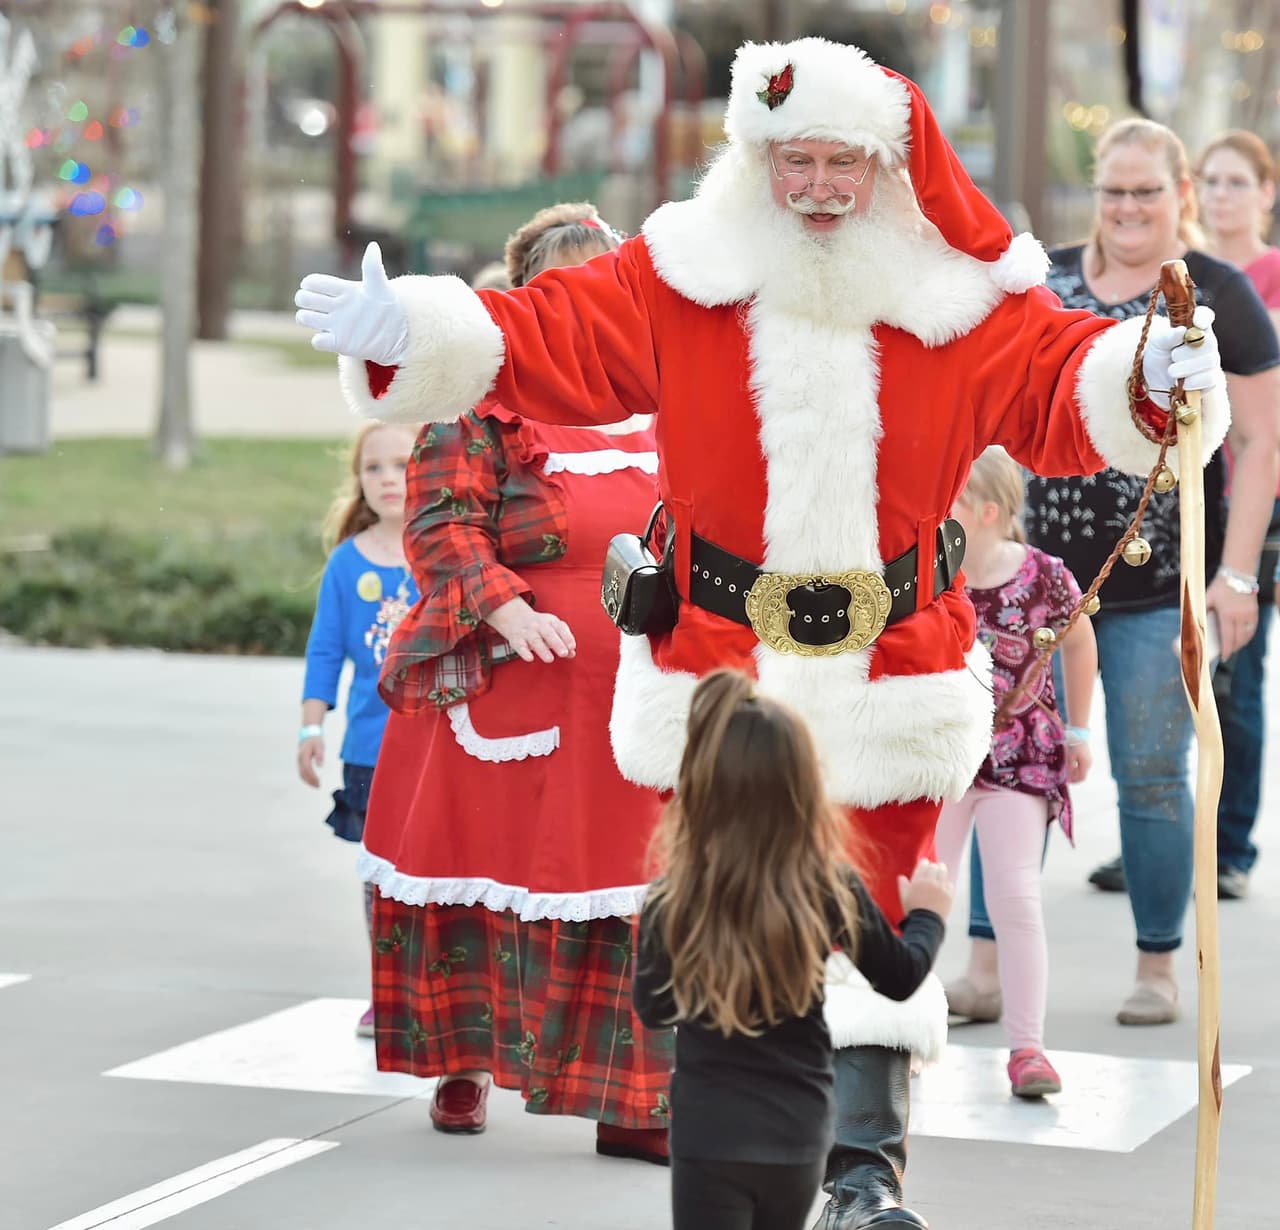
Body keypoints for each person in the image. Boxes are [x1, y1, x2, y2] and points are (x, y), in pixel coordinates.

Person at [295, 39, 1228, 1228]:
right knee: (722, 904)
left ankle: (864, 1175)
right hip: (717, 663)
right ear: (757, 159)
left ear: (886, 166)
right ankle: (729, 1153)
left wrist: (1153, 370)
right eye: (797, 162)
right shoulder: (683, 274)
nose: (821, 186)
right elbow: (548, 336)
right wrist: (409, 333)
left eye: (844, 161)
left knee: (877, 907)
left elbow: (1062, 385)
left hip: (891, 657)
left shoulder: (955, 296)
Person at [337, 202, 674, 1164]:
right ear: (527, 300)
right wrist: (506, 609)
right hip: (508, 686)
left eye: (602, 289)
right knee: (480, 879)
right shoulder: (481, 400)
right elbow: (438, 523)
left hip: (631, 691)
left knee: (628, 886)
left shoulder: (663, 402)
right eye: (563, 293)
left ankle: (632, 1102)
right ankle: (462, 1061)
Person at [1016, 118, 1280, 1025]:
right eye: (1113, 191)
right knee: (1002, 769)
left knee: (1154, 774)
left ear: (1181, 196)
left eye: (1146, 191)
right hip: (1033, 587)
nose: (1127, 208)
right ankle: (986, 960)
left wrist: (1236, 578)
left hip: (1155, 588)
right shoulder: (1044, 282)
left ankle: (1158, 963)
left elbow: (1261, 441)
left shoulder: (1214, 293)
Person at [635, 669, 952, 1230]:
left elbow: (655, 1008)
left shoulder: (675, 896)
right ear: (803, 788)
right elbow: (900, 978)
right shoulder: (828, 885)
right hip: (797, 1130)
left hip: (711, 1132)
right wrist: (927, 915)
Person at [932, 448, 1095, 1099]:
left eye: (953, 498)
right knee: (921, 891)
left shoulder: (1045, 575)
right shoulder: (930, 573)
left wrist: (1079, 730)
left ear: (989, 512)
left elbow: (1079, 642)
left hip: (1020, 756)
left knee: (1015, 896)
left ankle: (1028, 1047)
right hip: (942, 759)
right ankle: (897, 1038)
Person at [298, 421, 420, 1037]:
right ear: (358, 480)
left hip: (437, 751)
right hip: (370, 754)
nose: (388, 478)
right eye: (374, 467)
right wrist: (310, 729)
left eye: (402, 463)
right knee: (379, 876)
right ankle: (387, 992)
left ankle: (438, 994)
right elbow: (324, 651)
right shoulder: (346, 564)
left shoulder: (446, 552)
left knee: (432, 877)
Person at [1197, 130, 1280, 899]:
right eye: (1211, 181)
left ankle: (1229, 848)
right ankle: (1168, 838)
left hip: (1253, 502)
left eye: (1236, 182)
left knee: (1235, 673)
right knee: (1168, 671)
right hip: (1181, 498)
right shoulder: (1178, 271)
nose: (1222, 194)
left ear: (1266, 193)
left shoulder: (1271, 278)